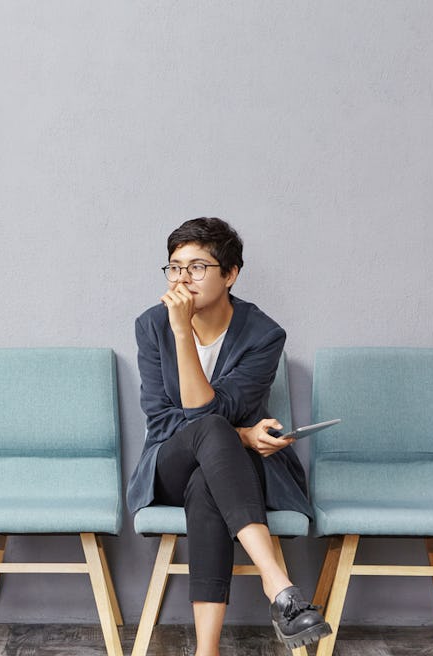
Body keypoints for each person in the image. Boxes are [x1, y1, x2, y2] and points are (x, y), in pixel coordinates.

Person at [126, 217, 331, 655]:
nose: (182, 279)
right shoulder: (151, 325)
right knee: (213, 434)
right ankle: (279, 584)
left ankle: (207, 650)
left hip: (228, 474)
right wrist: (181, 330)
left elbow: (215, 411)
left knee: (207, 484)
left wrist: (228, 431)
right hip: (169, 462)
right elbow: (165, 422)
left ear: (231, 273)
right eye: (175, 267)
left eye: (197, 267)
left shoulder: (263, 334)